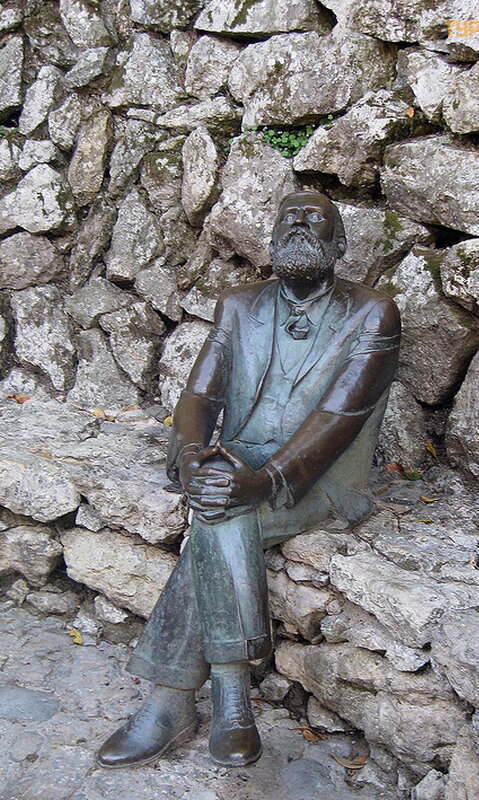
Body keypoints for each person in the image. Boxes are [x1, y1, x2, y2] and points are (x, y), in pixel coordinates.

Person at [97, 190, 401, 770]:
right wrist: (192, 456)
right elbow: (199, 395)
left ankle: (179, 703)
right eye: (289, 217)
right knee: (220, 502)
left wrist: (265, 481)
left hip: (318, 477)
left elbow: (340, 416)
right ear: (272, 239)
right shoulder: (239, 306)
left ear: (340, 244)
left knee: (221, 512)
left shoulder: (374, 312)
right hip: (236, 460)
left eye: (316, 219)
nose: (300, 224)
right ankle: (228, 705)